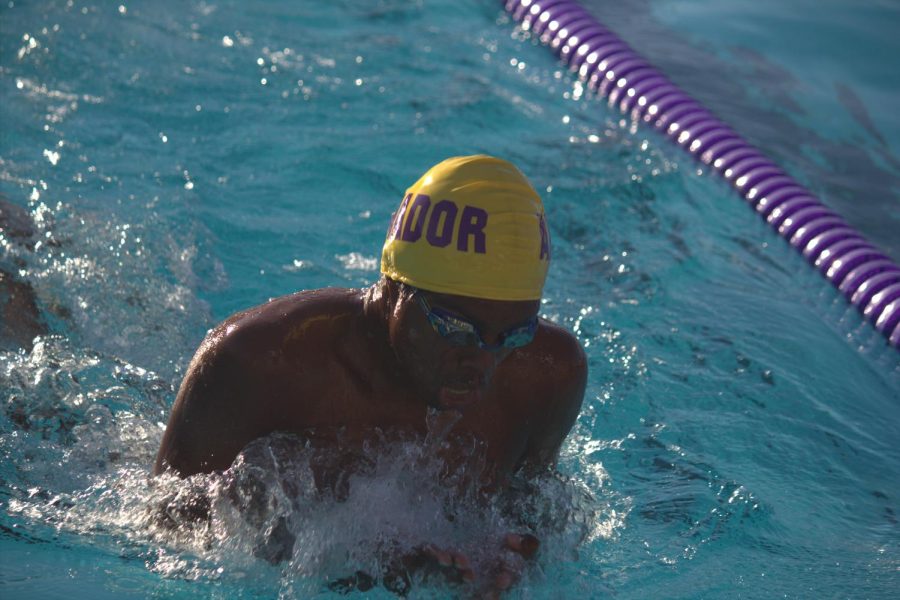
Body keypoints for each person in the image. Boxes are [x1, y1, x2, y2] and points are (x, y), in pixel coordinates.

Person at [153, 155, 587, 593]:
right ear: (395, 287)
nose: (484, 363)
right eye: (457, 330)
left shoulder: (546, 374)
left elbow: (532, 503)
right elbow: (163, 530)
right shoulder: (260, 362)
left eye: (513, 335)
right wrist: (346, 565)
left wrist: (514, 555)